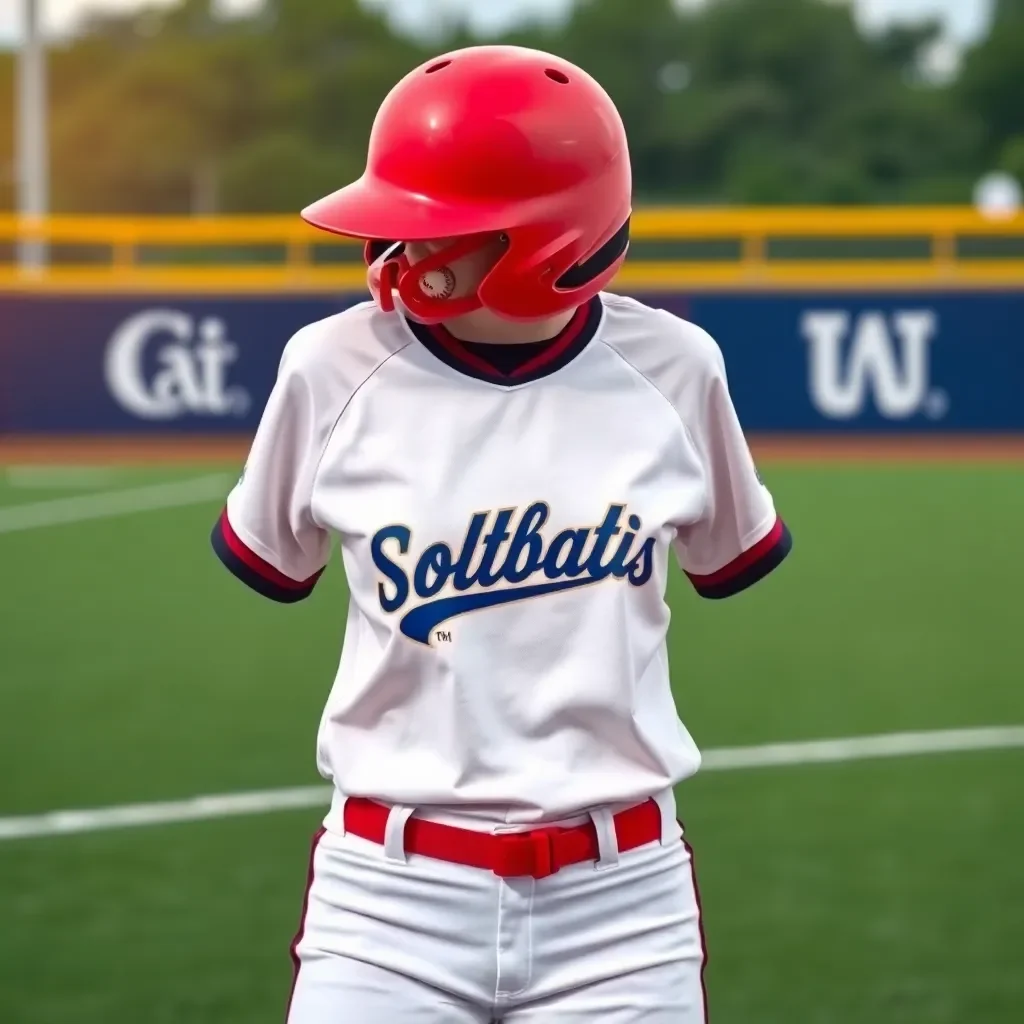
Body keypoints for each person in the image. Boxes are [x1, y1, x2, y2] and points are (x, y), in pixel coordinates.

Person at [211, 44, 792, 1024]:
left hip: (621, 905)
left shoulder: (675, 367)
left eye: (437, 227)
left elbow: (728, 553)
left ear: (550, 238)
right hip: (385, 900)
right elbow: (272, 557)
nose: (398, 252)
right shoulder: (330, 364)